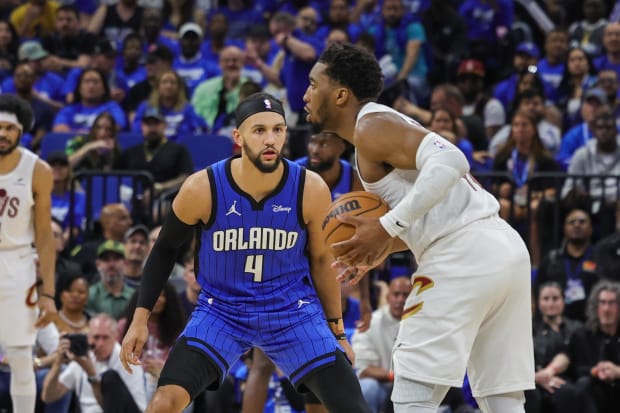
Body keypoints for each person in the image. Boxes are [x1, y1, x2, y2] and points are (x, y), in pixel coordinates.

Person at [304, 43, 535, 413]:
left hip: (461, 255)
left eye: (314, 84)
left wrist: (386, 225)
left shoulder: (371, 126)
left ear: (341, 94)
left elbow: (451, 161)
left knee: (413, 394)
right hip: (501, 250)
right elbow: (429, 212)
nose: (305, 94)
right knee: (501, 398)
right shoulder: (377, 132)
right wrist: (378, 246)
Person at [120, 92, 372, 413]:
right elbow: (165, 248)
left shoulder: (310, 188)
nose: (271, 139)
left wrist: (337, 331)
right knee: (163, 404)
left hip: (292, 312)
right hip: (221, 312)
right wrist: (139, 320)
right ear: (238, 137)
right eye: (259, 130)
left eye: (278, 130)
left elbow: (322, 261)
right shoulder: (203, 187)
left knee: (353, 408)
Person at [0, 94, 57, 413]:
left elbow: (46, 238)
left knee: (21, 355)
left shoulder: (38, 169)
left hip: (18, 263)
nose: (2, 134)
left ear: (21, 131)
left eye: (10, 128)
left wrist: (48, 293)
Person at [42, 313, 147, 413]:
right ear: (89, 337)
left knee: (109, 377)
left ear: (116, 337)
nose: (100, 344)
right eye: (96, 337)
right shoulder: (84, 357)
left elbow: (136, 408)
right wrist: (58, 361)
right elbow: (48, 396)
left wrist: (91, 374)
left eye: (105, 338)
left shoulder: (128, 360)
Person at [352, 276, 412, 413]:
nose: (401, 300)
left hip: (414, 385)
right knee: (367, 387)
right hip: (381, 385)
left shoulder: (423, 324)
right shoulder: (370, 323)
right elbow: (364, 369)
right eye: (396, 294)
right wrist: (394, 376)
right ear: (387, 297)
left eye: (406, 295)